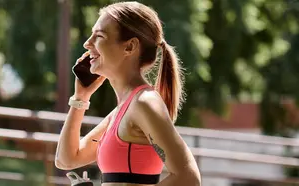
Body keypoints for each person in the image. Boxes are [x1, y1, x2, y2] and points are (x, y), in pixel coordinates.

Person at [54, 1, 201, 186]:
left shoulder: (144, 102)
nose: (87, 43)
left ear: (130, 47)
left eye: (99, 36)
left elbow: (189, 178)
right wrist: (80, 99)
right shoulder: (123, 109)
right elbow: (66, 160)